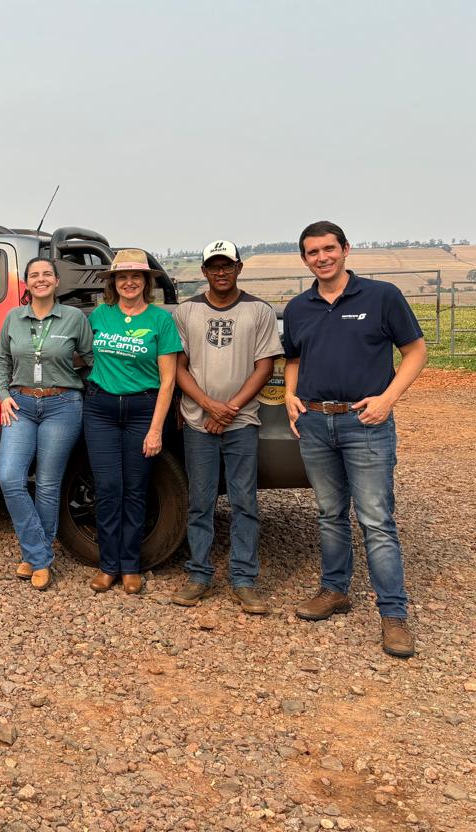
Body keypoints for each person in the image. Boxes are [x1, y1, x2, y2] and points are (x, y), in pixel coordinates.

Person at [283, 220, 426, 659]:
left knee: (376, 519)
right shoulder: (298, 306)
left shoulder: (381, 296)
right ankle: (334, 590)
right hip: (315, 423)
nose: (322, 258)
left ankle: (393, 613)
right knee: (328, 513)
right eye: (312, 252)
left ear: (346, 249)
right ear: (304, 258)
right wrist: (290, 394)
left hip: (365, 422)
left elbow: (416, 351)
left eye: (329, 249)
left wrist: (387, 398)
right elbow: (293, 357)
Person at [170, 240, 283, 614]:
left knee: (244, 501)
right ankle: (199, 575)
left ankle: (244, 579)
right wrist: (208, 406)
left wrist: (230, 408)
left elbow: (264, 366)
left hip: (242, 422)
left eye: (227, 266)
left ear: (239, 268)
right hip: (198, 422)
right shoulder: (187, 312)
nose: (221, 272)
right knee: (200, 502)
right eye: (213, 267)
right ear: (203, 271)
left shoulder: (258, 310)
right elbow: (178, 367)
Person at [82, 248, 182, 594]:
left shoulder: (160, 320)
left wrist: (156, 429)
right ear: (113, 282)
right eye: (122, 277)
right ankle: (107, 566)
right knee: (108, 489)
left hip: (143, 410)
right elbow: (78, 353)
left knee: (136, 490)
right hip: (101, 410)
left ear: (145, 282)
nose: (129, 282)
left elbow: (168, 380)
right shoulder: (99, 316)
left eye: (136, 276)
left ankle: (131, 566)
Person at [0, 257, 93, 590]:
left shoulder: (74, 318)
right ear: (26, 284)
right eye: (34, 275)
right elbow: (1, 360)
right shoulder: (13, 318)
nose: (41, 279)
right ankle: (39, 554)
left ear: (56, 281)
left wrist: (84, 392)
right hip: (20, 405)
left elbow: (91, 359)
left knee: (49, 484)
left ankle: (35, 560)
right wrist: (2, 393)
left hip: (62, 406)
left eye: (46, 274)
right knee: (10, 478)